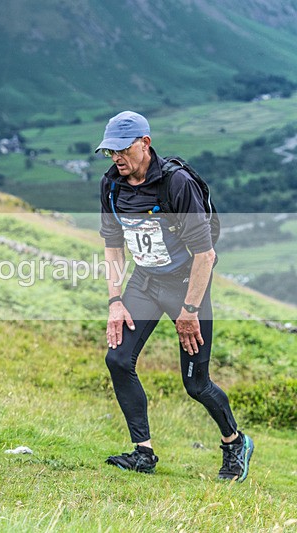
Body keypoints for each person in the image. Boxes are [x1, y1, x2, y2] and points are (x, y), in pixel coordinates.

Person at [97, 111, 253, 481]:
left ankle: (235, 442)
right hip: (145, 283)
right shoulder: (111, 185)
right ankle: (143, 452)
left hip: (187, 287)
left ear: (144, 143)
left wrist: (190, 310)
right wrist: (115, 300)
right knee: (118, 359)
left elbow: (206, 254)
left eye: (122, 150)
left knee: (195, 383)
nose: (116, 158)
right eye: (110, 152)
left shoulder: (177, 184)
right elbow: (113, 246)